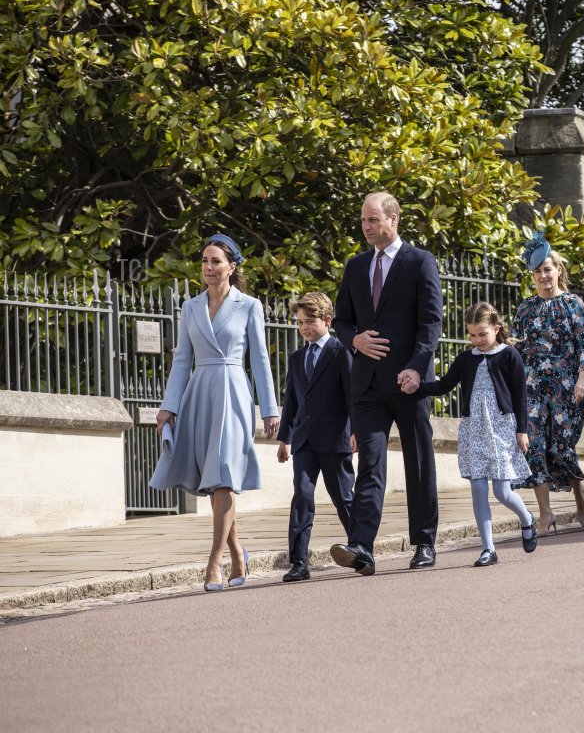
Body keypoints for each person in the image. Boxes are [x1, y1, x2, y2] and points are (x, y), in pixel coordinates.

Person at [151, 234, 280, 591]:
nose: (209, 267)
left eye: (216, 261)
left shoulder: (249, 305)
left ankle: (214, 563)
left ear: (232, 266)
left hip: (233, 391)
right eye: (205, 261)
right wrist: (168, 406)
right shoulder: (189, 307)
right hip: (199, 393)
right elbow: (181, 361)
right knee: (214, 481)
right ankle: (238, 553)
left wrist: (269, 409)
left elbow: (260, 360)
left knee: (224, 474)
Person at [332, 191, 443, 576]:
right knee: (370, 465)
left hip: (409, 382)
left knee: (418, 462)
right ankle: (362, 546)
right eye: (363, 220)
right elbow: (341, 321)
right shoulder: (355, 266)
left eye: (373, 220)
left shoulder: (420, 262)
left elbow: (431, 324)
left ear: (393, 219)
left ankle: (425, 541)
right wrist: (354, 340)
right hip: (366, 384)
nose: (366, 227)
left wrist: (416, 368)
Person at [405, 302, 537, 566]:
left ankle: (527, 519)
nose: (477, 340)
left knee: (502, 492)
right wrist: (416, 387)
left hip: (501, 426)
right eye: (472, 335)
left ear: (496, 328)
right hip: (473, 426)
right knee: (477, 488)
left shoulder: (510, 355)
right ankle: (488, 548)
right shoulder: (466, 358)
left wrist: (522, 430)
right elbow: (444, 385)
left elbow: (520, 396)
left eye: (482, 334)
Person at [512, 234, 584, 532]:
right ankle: (545, 513)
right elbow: (516, 348)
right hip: (532, 387)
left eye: (547, 270)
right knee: (533, 445)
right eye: (537, 272)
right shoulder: (525, 308)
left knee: (562, 447)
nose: (543, 276)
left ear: (558, 270)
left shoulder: (573, 304)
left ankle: (580, 493)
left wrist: (583, 379)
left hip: (566, 386)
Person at [275, 292, 356, 583]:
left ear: (327, 320)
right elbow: (292, 402)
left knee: (344, 498)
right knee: (302, 497)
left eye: (310, 321)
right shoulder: (297, 358)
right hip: (304, 441)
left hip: (335, 439)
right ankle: (298, 561)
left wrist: (355, 430)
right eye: (299, 322)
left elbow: (351, 396)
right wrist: (285, 439)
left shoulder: (341, 351)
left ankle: (361, 550)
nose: (305, 327)